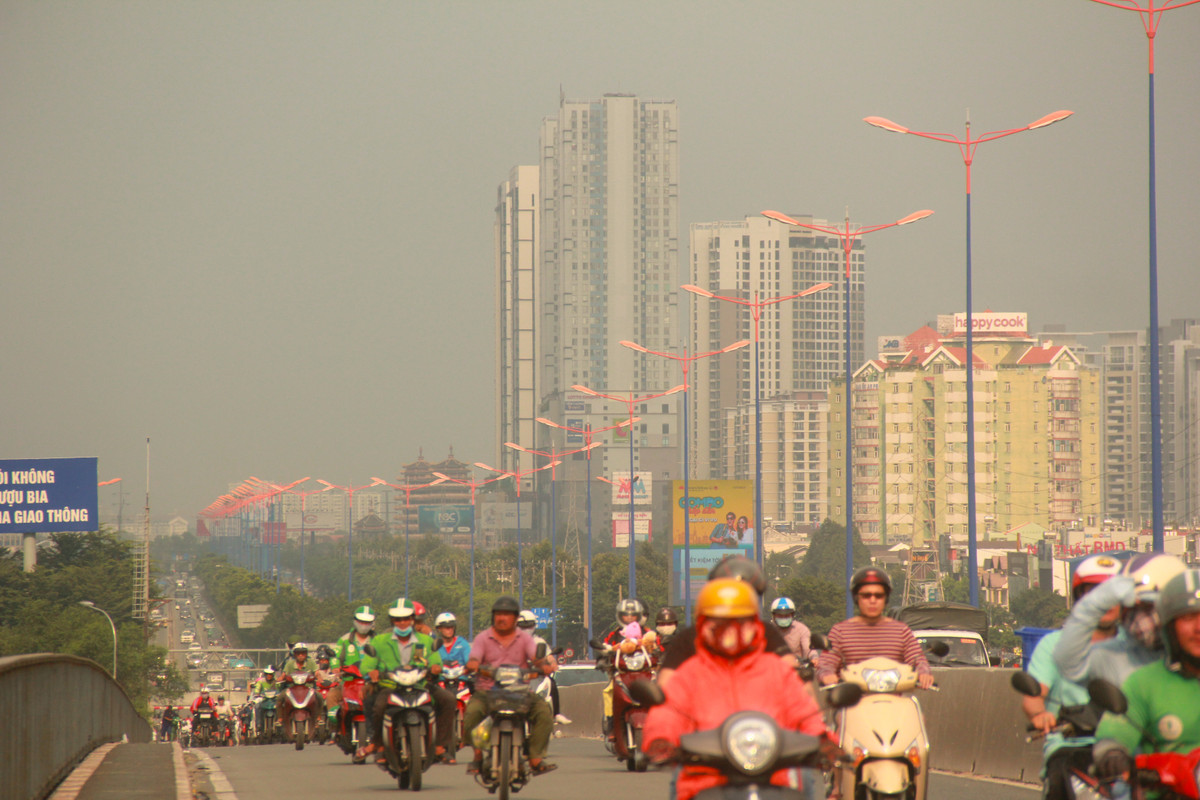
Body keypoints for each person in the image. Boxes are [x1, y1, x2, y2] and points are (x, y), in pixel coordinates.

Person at [642, 578, 837, 800]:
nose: (730, 629)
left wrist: (823, 740)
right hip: (704, 778)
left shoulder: (775, 670)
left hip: (773, 776)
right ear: (703, 626)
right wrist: (660, 739)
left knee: (805, 784)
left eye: (739, 621)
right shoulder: (690, 674)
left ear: (754, 625)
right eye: (719, 621)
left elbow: (802, 712)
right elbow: (669, 711)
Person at [1022, 554, 1122, 800]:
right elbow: (1034, 696)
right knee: (1061, 776)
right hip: (1072, 748)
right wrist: (1041, 715)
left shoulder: (1141, 648)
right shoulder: (1054, 646)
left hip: (1130, 751)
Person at [1093, 569, 1200, 784]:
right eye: (1188, 617)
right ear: (1169, 627)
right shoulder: (1143, 684)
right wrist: (1113, 754)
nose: (1199, 628)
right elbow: (1114, 736)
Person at [658, 556, 795, 689]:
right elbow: (666, 685)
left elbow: (793, 675)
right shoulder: (690, 639)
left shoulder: (765, 633)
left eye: (742, 620)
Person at [1054, 553, 1187, 688]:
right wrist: (1093, 604)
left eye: (1149, 608)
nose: (1141, 621)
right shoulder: (1115, 656)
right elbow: (1069, 664)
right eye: (1131, 608)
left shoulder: (1192, 663)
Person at [463, 595, 556, 776]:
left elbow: (536, 658)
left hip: (520, 692)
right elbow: (474, 657)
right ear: (493, 617)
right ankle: (477, 755)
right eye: (499, 614)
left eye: (507, 614)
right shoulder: (483, 638)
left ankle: (535, 756)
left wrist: (543, 665)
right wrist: (473, 664)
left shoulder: (525, 639)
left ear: (515, 619)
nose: (502, 618)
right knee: (472, 713)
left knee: (544, 713)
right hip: (488, 691)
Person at [359, 598, 456, 765]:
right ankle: (378, 744)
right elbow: (367, 664)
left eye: (406, 619)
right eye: (398, 619)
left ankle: (440, 745)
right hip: (390, 687)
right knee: (378, 706)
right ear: (392, 621)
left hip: (420, 685)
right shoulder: (380, 641)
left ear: (412, 620)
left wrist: (435, 668)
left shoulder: (425, 641)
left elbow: (435, 661)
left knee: (448, 699)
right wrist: (372, 672)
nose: (402, 623)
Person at [817, 567, 933, 689]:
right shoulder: (840, 631)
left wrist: (924, 673)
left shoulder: (901, 631)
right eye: (866, 596)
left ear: (886, 598)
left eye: (878, 596)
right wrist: (827, 675)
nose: (872, 601)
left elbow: (917, 659)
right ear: (857, 598)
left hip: (894, 703)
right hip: (851, 702)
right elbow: (826, 664)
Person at [517, 609, 569, 724]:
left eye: (529, 625)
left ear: (534, 626)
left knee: (551, 682)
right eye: (522, 625)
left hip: (535, 676)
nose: (526, 628)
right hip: (514, 677)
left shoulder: (539, 641)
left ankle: (556, 714)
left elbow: (550, 658)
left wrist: (552, 665)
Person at [278, 643, 323, 740]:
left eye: (303, 653)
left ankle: (319, 717)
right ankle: (280, 718)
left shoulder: (311, 662)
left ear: (306, 654)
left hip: (308, 689)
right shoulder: (290, 663)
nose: (301, 655)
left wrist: (320, 679)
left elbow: (317, 673)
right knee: (280, 698)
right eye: (298, 653)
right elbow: (283, 675)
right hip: (292, 689)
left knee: (319, 697)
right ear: (295, 654)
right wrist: (278, 680)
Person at [770, 596, 812, 661]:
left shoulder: (801, 629)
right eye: (780, 615)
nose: (783, 618)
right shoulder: (768, 631)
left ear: (792, 615)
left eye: (786, 615)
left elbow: (808, 649)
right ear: (774, 616)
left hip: (797, 667)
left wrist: (814, 658)